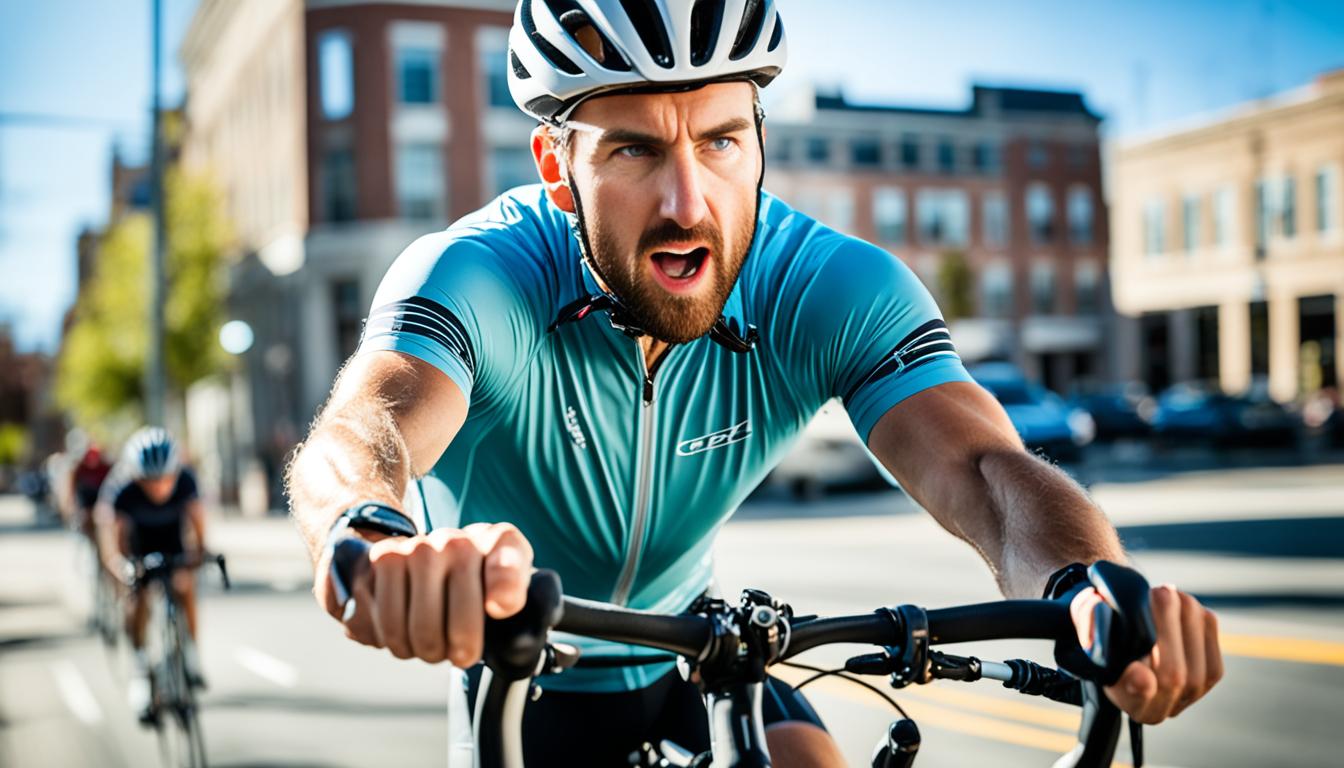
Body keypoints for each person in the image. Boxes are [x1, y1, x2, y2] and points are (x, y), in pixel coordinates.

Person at [287, 1, 1223, 764]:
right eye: (634, 150)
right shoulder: (482, 275)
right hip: (527, 670)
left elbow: (983, 468)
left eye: (722, 142)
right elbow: (368, 429)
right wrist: (367, 533)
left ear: (762, 141)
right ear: (559, 169)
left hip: (703, 654)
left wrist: (1088, 581)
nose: (687, 203)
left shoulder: (825, 286)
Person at [97, 427, 208, 723]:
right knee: (138, 597)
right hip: (138, 543)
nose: (159, 487)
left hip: (172, 538)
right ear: (136, 476)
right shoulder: (121, 488)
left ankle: (192, 655)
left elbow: (197, 520)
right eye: (150, 481)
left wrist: (201, 552)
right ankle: (141, 669)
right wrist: (122, 568)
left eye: (164, 480)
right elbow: (111, 541)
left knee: (185, 584)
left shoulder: (185, 480)